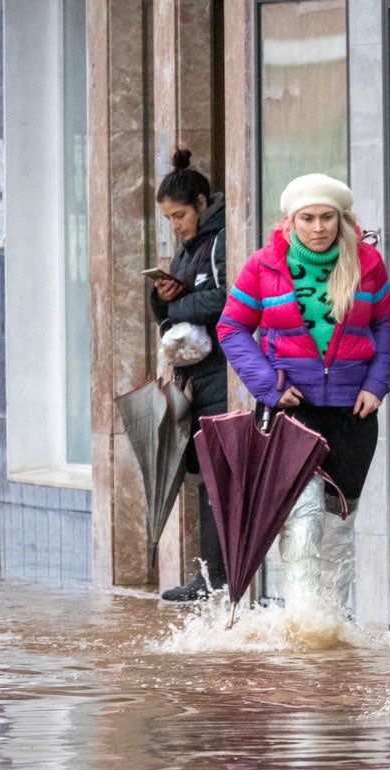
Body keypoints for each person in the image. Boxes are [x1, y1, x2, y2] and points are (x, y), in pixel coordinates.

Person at [218, 174, 390, 618]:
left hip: (352, 414)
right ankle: (303, 626)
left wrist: (376, 385)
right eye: (308, 218)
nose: (318, 227)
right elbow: (231, 327)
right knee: (303, 522)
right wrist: (268, 384)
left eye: (327, 218)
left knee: (338, 528)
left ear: (342, 219)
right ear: (291, 221)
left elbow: (386, 326)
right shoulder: (263, 266)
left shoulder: (367, 264)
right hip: (290, 412)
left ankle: (330, 627)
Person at [151, 149, 228, 602]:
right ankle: (208, 575)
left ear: (201, 202)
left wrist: (176, 305)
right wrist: (162, 299)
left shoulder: (218, 240)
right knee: (203, 475)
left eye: (179, 214)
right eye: (168, 218)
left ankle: (216, 578)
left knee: (217, 475)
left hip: (220, 376)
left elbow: (225, 298)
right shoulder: (188, 246)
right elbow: (178, 309)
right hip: (195, 378)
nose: (175, 224)